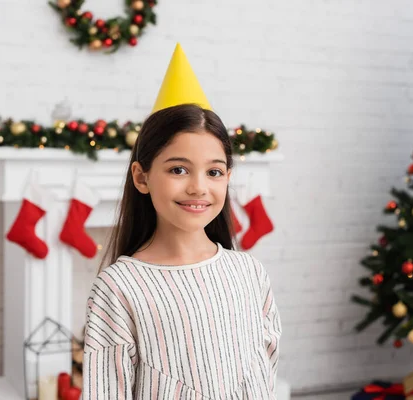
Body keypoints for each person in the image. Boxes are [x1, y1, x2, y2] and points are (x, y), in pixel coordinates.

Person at [82, 43, 282, 399]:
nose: (198, 187)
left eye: (214, 172)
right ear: (141, 177)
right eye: (178, 169)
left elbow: (264, 376)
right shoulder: (120, 287)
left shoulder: (250, 273)